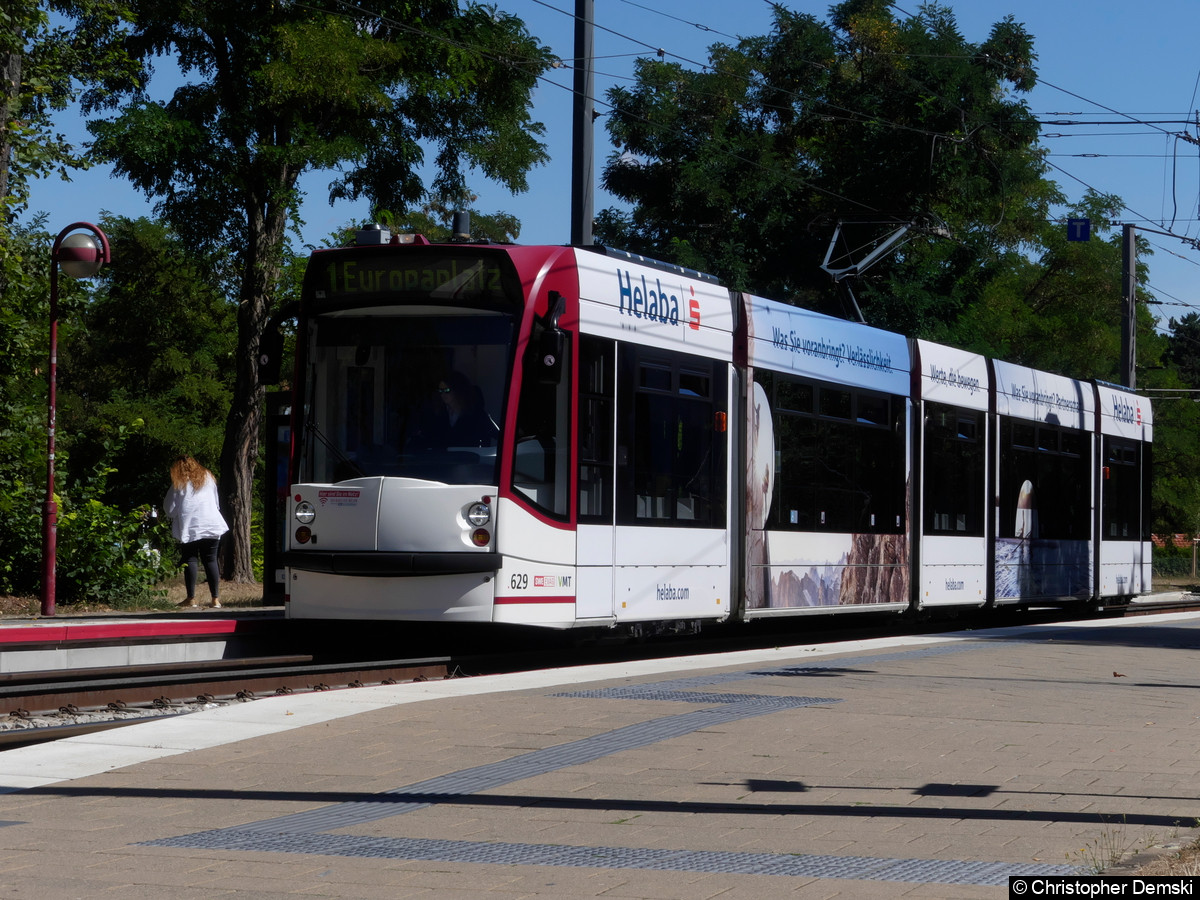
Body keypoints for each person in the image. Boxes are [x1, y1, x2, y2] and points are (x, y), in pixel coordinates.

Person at [162, 456, 229, 608]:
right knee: (211, 560)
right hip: (211, 524)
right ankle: (215, 599)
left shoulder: (179, 482)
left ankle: (191, 598)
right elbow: (216, 503)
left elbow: (170, 509)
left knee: (190, 559)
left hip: (190, 526)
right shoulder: (208, 477)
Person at [438, 371, 498, 447]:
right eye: (440, 391)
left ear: (457, 389)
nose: (443, 394)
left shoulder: (476, 414)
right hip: (445, 457)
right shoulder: (440, 413)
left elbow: (496, 433)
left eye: (447, 390)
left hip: (469, 457)